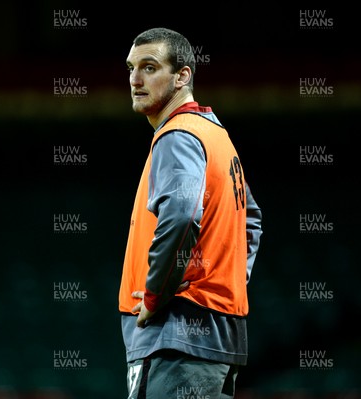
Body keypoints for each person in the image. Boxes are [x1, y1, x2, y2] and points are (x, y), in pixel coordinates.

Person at [118, 27, 263, 399]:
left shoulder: (177, 135)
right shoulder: (217, 136)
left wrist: (155, 294)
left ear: (183, 75)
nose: (135, 79)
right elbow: (252, 220)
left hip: (177, 335)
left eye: (149, 67)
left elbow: (181, 216)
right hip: (215, 335)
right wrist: (222, 279)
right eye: (131, 68)